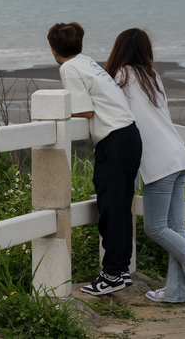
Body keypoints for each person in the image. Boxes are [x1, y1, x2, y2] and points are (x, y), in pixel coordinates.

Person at [105, 28, 185, 304]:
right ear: (145, 50)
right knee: (176, 227)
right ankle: (178, 292)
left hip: (159, 160)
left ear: (119, 49)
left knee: (156, 228)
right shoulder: (153, 76)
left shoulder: (121, 76)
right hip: (177, 154)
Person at [47, 22, 142, 296]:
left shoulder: (69, 68)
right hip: (130, 135)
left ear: (53, 50)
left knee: (111, 208)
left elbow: (83, 112)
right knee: (122, 206)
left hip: (113, 140)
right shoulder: (88, 62)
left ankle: (111, 274)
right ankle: (120, 270)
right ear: (80, 45)